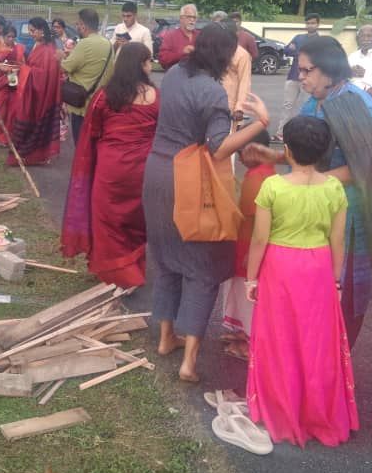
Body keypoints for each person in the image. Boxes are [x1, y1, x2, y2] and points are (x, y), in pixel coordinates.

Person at [142, 22, 271, 383]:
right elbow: (219, 147)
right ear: (225, 55)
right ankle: (189, 363)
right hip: (187, 179)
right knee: (202, 264)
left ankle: (167, 338)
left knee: (167, 258)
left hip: (156, 172)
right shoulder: (212, 92)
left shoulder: (175, 74)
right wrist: (260, 123)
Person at [249, 36, 372, 345]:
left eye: (307, 71)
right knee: (305, 300)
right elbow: (307, 154)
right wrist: (276, 156)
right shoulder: (316, 99)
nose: (300, 77)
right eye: (299, 70)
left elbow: (363, 168)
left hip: (347, 215)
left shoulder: (355, 104)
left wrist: (308, 185)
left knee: (338, 302)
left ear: (329, 71)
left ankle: (329, 377)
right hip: (314, 209)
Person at [245, 115, 359, 448]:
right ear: (324, 151)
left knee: (280, 340)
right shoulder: (334, 187)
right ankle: (316, 409)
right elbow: (338, 241)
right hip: (319, 268)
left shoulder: (273, 187)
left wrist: (252, 278)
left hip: (281, 268)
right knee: (316, 342)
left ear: (288, 150)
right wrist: (336, 281)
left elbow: (259, 240)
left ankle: (282, 407)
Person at [61, 42, 159, 287]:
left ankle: (115, 274)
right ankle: (134, 269)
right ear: (140, 65)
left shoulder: (104, 96)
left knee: (108, 221)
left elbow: (91, 131)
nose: (151, 66)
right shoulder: (156, 96)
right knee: (137, 221)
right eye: (148, 61)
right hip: (143, 170)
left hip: (110, 168)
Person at [221, 128, 276, 358]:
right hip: (246, 241)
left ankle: (250, 344)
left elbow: (256, 221)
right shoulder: (265, 172)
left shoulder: (258, 178)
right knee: (240, 293)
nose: (240, 156)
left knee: (248, 298)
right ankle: (243, 333)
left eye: (241, 151)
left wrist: (249, 253)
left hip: (248, 245)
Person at [7, 17, 61, 167]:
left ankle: (32, 156)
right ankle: (27, 155)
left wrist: (24, 70)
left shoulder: (49, 49)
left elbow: (43, 75)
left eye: (32, 30)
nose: (30, 33)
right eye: (29, 31)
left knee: (32, 123)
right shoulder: (40, 45)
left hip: (40, 96)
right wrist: (23, 68)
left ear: (41, 30)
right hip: (32, 93)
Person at [60, 8, 113, 145]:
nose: (77, 27)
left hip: (81, 105)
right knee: (95, 144)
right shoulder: (108, 43)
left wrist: (60, 57)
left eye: (78, 24)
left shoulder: (84, 43)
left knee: (81, 145)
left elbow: (65, 67)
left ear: (83, 25)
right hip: (100, 102)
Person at [274, 12, 321, 139]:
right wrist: (302, 52)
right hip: (293, 76)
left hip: (310, 78)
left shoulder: (320, 41)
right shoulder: (299, 37)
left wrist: (298, 51)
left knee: (306, 107)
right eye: (308, 23)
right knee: (287, 105)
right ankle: (280, 133)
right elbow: (287, 50)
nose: (310, 25)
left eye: (313, 23)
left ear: (318, 24)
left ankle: (304, 135)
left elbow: (318, 57)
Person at [0, 24, 26, 145]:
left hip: (13, 82)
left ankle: (8, 137)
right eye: (8, 37)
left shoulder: (18, 48)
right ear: (3, 36)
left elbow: (23, 63)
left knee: (12, 110)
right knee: (0, 110)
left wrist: (19, 69)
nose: (11, 39)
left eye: (13, 37)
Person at [212, 15, 252, 123]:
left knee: (229, 138)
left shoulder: (242, 55)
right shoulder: (213, 50)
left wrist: (239, 108)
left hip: (231, 108)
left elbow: (245, 83)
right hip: (211, 104)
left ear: (235, 34)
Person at [157, 4, 199, 70]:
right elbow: (163, 60)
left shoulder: (200, 36)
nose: (192, 19)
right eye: (189, 17)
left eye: (194, 17)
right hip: (176, 77)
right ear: (181, 18)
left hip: (197, 77)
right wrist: (182, 53)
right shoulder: (170, 36)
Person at [348, 24, 372, 94]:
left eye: (369, 36)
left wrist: (365, 74)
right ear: (358, 38)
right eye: (362, 36)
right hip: (351, 96)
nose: (365, 39)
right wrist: (349, 72)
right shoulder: (352, 56)